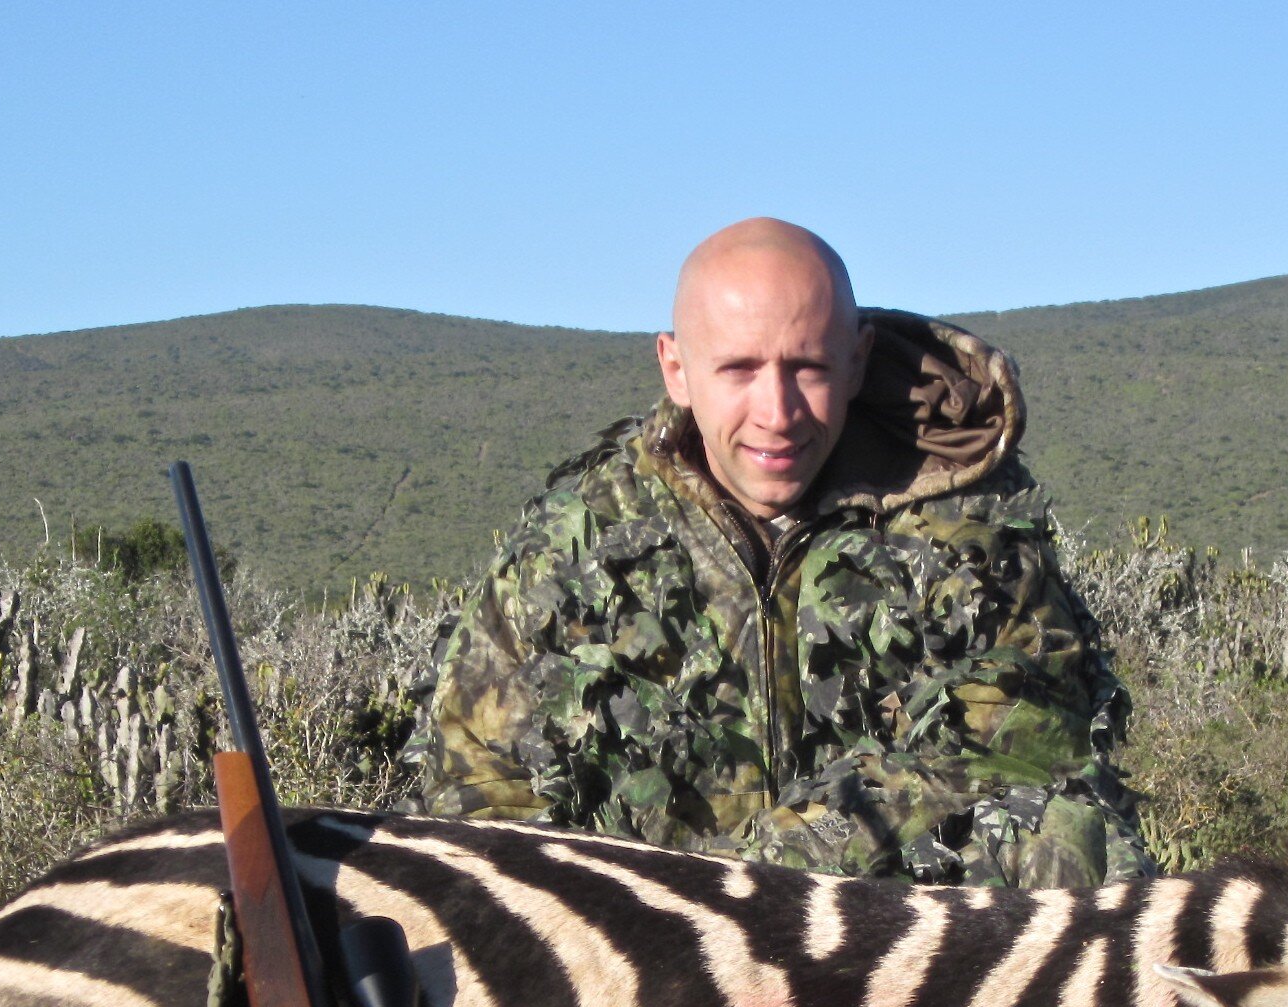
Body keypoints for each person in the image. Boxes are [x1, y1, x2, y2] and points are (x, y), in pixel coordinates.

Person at [405, 218, 1150, 888]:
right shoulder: (573, 553)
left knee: (1069, 839)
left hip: (891, 936)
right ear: (676, 368)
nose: (777, 414)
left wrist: (768, 873)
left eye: (810, 369)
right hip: (650, 960)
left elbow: (1022, 735)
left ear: (857, 362)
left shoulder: (967, 523)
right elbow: (476, 793)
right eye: (738, 369)